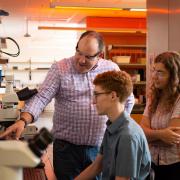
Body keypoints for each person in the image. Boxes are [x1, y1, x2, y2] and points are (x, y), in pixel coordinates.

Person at [0, 31, 135, 180]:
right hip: (66, 150)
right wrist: (22, 121)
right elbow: (42, 97)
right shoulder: (60, 68)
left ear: (100, 55)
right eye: (79, 52)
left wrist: (117, 130)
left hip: (100, 148)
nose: (81, 60)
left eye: (88, 56)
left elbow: (128, 100)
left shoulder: (111, 69)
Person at [75, 70, 151, 180]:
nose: (93, 101)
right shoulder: (113, 125)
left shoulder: (127, 136)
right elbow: (97, 166)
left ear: (113, 96)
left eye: (96, 95)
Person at [140, 51, 180, 180]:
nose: (154, 76)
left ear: (174, 76)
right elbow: (141, 133)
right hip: (150, 162)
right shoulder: (153, 98)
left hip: (174, 165)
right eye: (154, 71)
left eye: (160, 72)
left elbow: (173, 138)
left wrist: (150, 134)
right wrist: (161, 134)